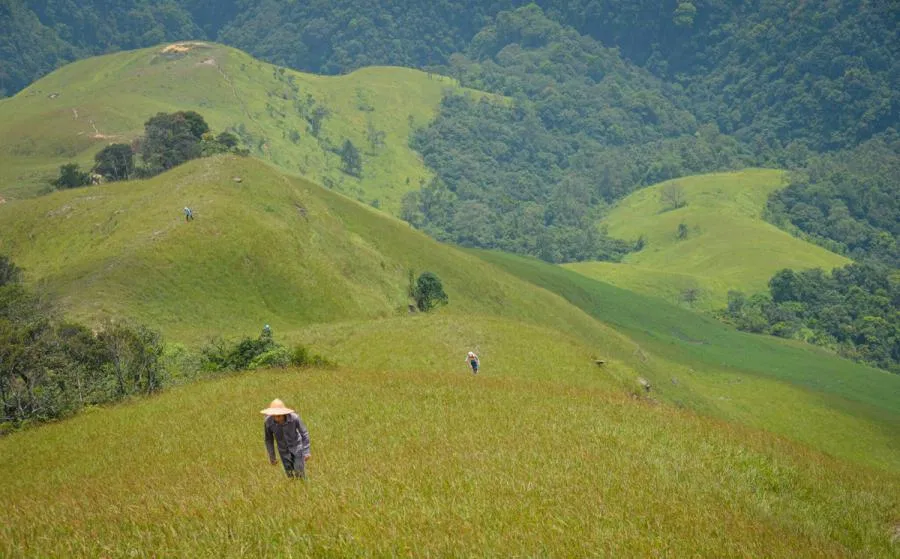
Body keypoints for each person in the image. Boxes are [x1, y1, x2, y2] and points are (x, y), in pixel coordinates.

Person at [261, 399, 311, 479]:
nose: (276, 418)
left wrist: (306, 451)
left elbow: (304, 433)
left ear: (284, 413)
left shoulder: (294, 418)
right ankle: (293, 489)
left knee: (299, 472)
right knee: (290, 475)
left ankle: (303, 486)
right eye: (274, 416)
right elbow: (269, 440)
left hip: (297, 447)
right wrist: (272, 456)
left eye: (279, 416)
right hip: (283, 451)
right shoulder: (268, 422)